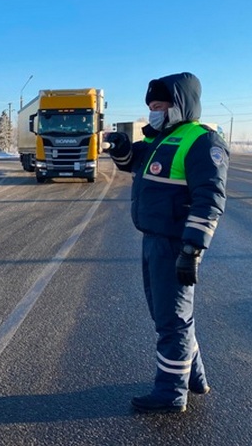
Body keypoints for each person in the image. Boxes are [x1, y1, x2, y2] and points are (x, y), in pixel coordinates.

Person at [106, 72, 228, 414]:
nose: (153, 113)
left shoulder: (202, 141)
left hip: (176, 244)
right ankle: (194, 377)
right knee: (172, 316)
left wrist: (192, 249)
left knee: (172, 319)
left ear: (180, 105)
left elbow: (210, 198)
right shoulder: (162, 138)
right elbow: (134, 163)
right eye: (151, 107)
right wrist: (120, 148)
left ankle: (171, 393)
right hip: (153, 240)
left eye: (159, 106)